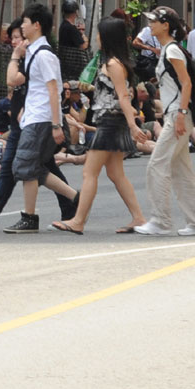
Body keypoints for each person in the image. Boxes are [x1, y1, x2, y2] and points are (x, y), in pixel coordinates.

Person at [0, 19, 78, 231]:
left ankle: (1, 216)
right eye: (13, 38)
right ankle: (72, 204)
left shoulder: (32, 61)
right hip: (26, 124)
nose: (15, 42)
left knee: (15, 169)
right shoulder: (29, 60)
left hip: (32, 124)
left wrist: (55, 124)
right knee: (37, 168)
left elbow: (12, 80)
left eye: (18, 38)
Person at [52, 17, 149, 235]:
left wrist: (133, 126)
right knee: (115, 174)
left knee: (89, 172)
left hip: (110, 121)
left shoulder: (113, 64)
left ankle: (78, 221)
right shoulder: (112, 62)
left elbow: (123, 97)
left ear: (106, 37)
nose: (95, 37)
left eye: (98, 33)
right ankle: (138, 217)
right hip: (111, 120)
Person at [134, 6, 195, 237]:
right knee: (181, 171)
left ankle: (161, 221)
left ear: (166, 24)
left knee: (157, 166)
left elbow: (187, 83)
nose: (150, 25)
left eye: (153, 21)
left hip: (177, 115)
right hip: (178, 113)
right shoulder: (169, 50)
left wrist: (180, 114)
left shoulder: (171, 51)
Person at [1, 3, 80, 233]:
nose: (22, 26)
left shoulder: (44, 55)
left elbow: (53, 90)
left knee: (23, 165)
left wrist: (56, 124)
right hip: (35, 117)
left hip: (42, 119)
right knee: (30, 166)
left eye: (25, 22)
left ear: (36, 25)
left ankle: (30, 217)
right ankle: (74, 198)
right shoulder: (35, 52)